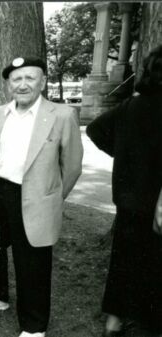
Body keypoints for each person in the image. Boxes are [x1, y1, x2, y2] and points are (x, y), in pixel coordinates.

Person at [0, 56, 83, 337]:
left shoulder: (62, 115)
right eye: (16, 79)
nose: (23, 84)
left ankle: (33, 326)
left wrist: (51, 197)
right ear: (9, 85)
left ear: (42, 81)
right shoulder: (0, 112)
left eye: (30, 78)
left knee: (32, 262)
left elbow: (71, 167)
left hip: (33, 197)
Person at [86, 44, 162, 337]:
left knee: (124, 260)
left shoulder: (132, 105)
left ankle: (114, 320)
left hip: (129, 199)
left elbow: (95, 130)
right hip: (156, 202)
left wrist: (126, 156)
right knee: (155, 263)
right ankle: (148, 321)